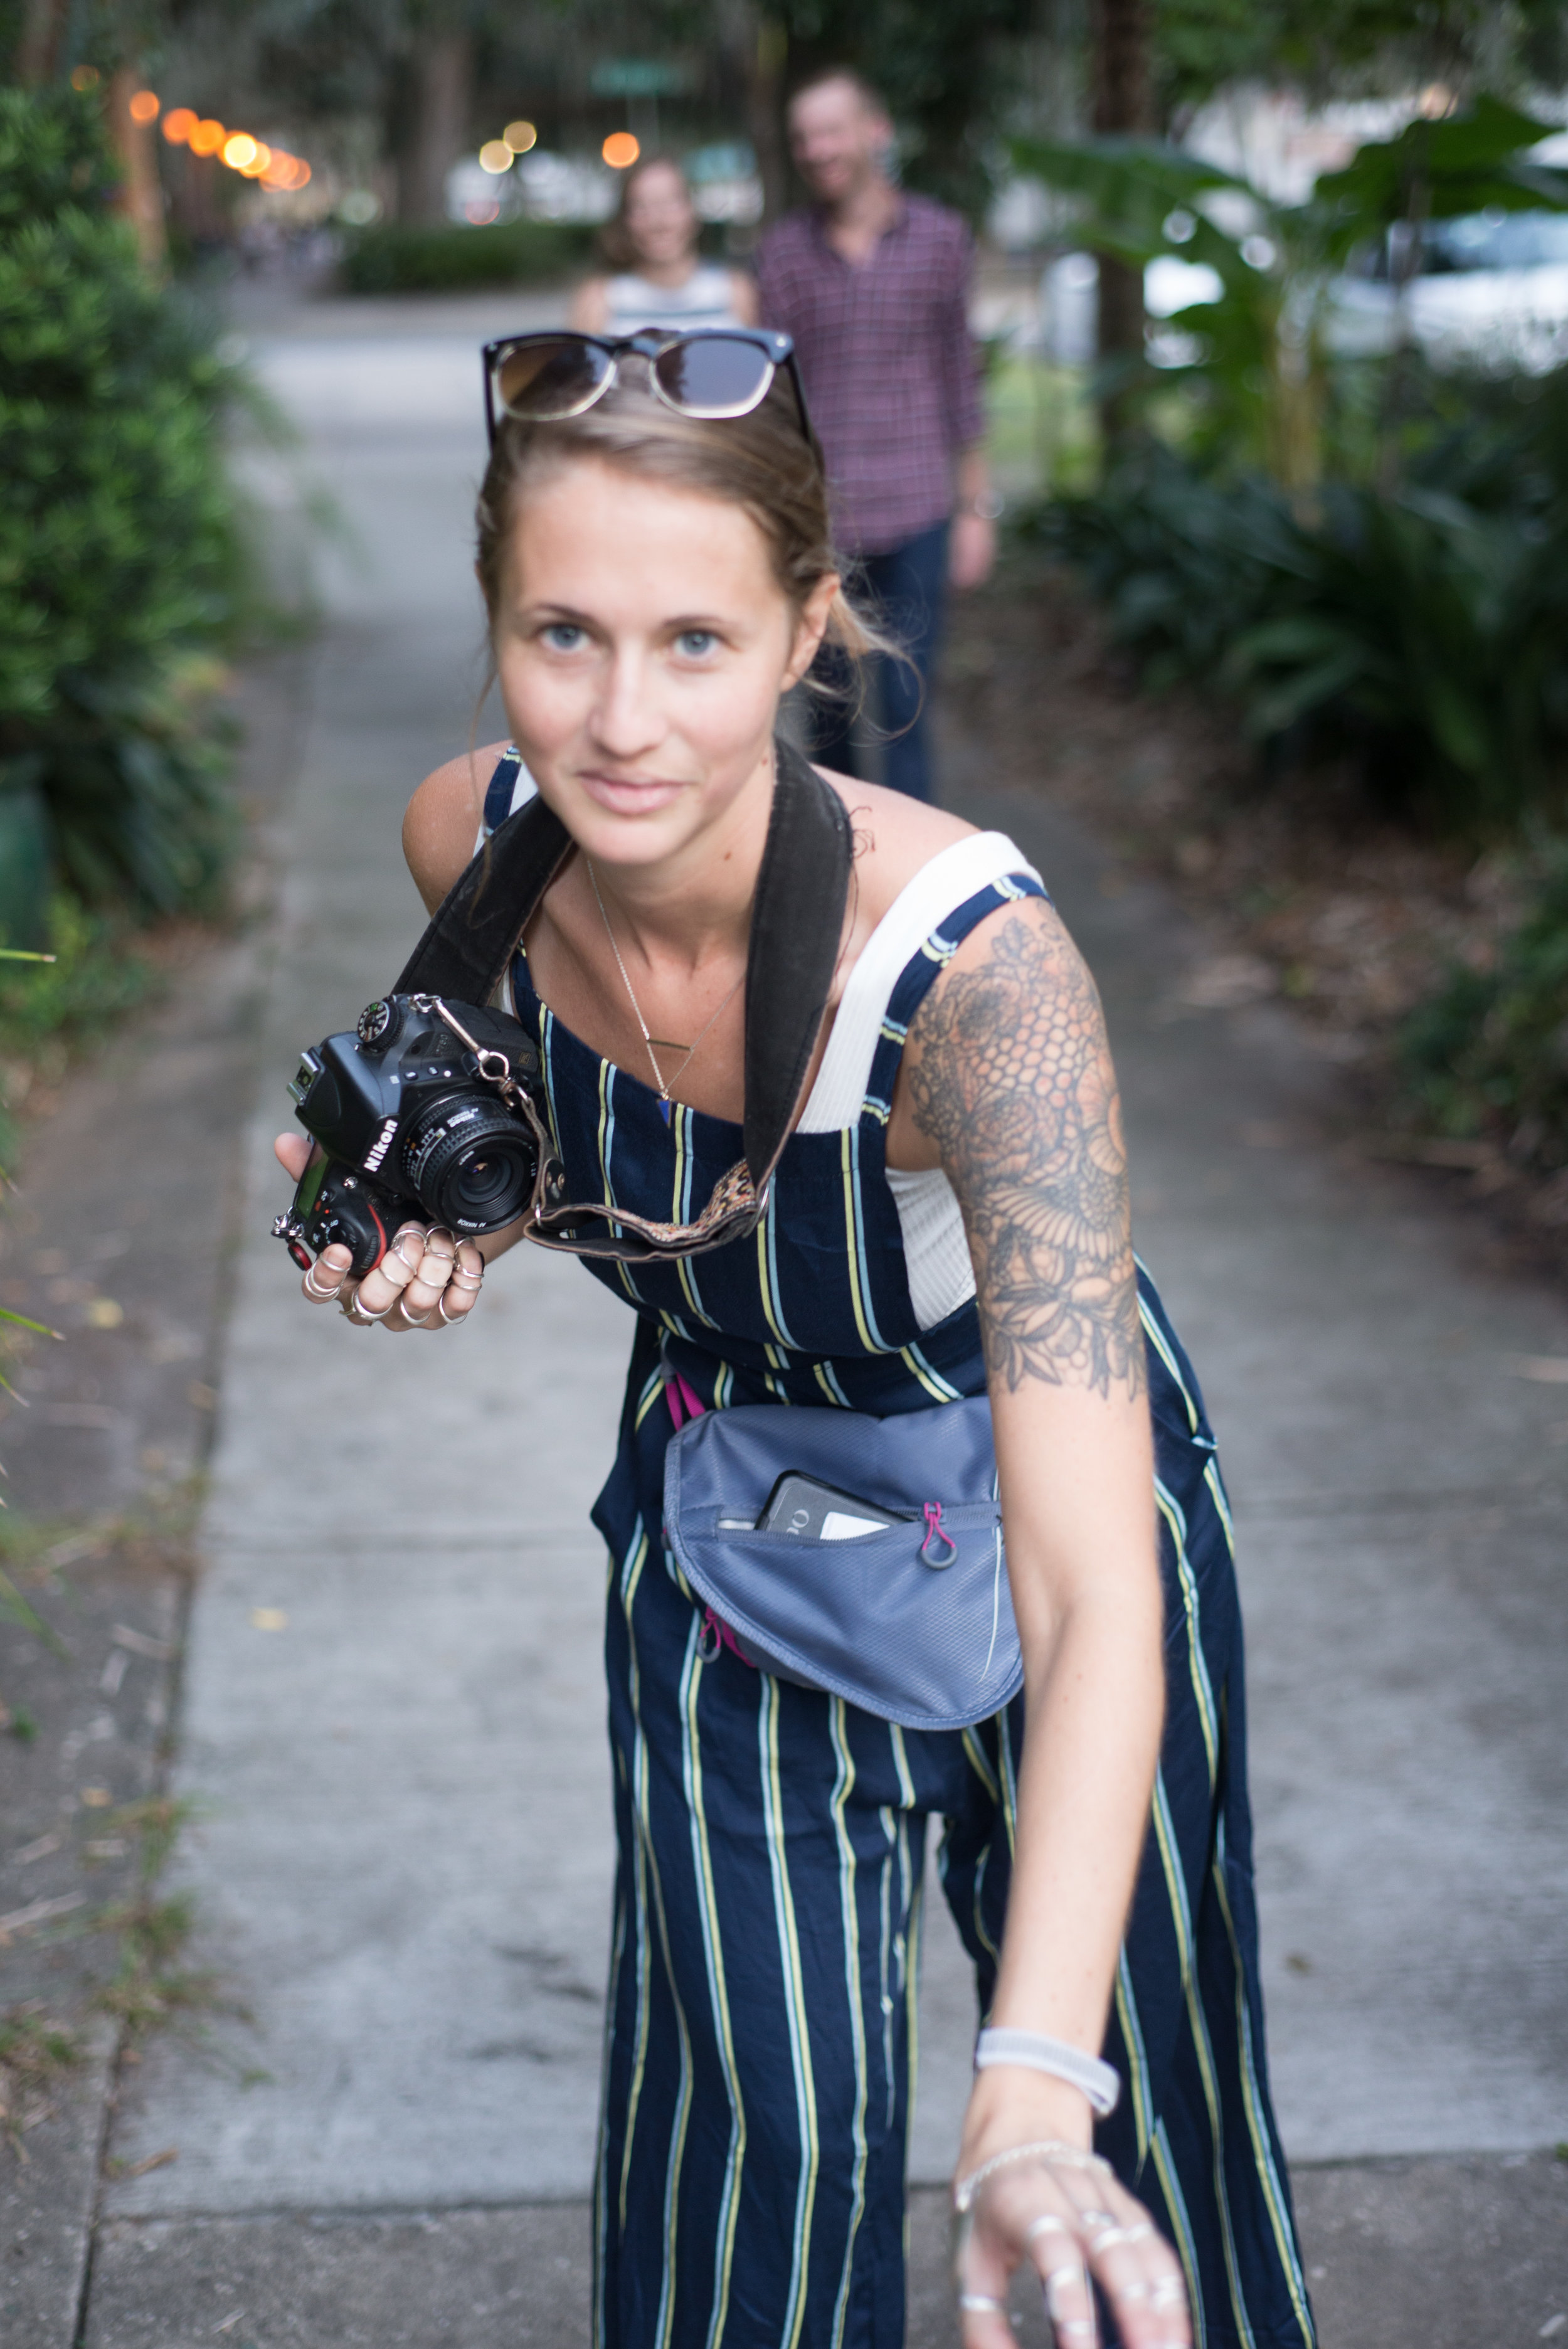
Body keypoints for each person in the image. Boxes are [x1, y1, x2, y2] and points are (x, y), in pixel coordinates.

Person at [276, 326, 1316, 2349]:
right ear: (494, 620)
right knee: (749, 2141)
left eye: (694, 641)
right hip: (733, 1508)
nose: (623, 718)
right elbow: (458, 1119)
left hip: (1032, 1490)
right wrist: (403, 1227)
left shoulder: (979, 980)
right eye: (562, 633)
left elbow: (1097, 1584)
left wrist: (1030, 2086)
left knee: (1138, 2114)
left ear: (806, 630)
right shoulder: (462, 848)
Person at [755, 68, 999, 802]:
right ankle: (837, 872)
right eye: (802, 137)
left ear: (874, 131)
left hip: (919, 508)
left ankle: (914, 880)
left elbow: (962, 379)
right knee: (826, 715)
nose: (815, 149)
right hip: (817, 521)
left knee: (906, 708)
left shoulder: (940, 237)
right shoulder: (782, 253)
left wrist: (976, 513)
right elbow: (772, 399)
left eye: (830, 130)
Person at [569, 151, 758, 337]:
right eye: (641, 207)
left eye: (671, 203)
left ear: (693, 211)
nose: (658, 222)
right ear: (625, 220)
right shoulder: (598, 300)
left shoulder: (736, 292)